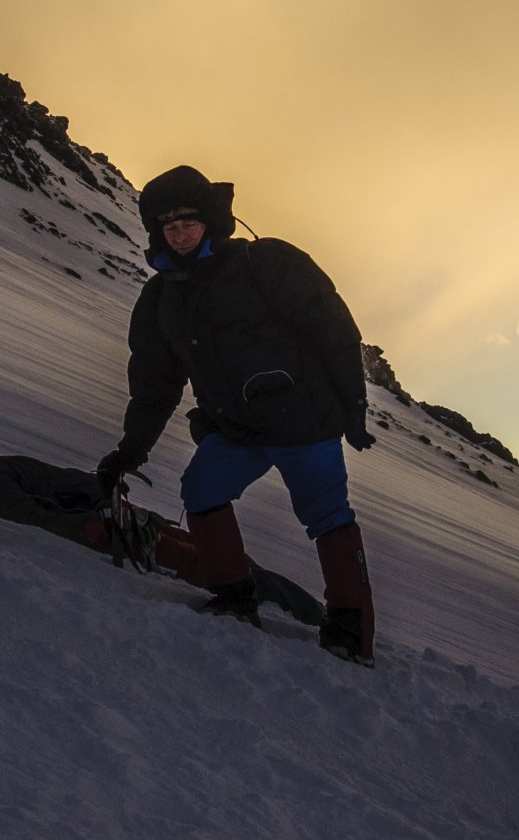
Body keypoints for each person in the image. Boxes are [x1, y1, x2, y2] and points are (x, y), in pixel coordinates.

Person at [93, 164, 379, 666]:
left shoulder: (265, 263)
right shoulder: (162, 299)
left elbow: (333, 331)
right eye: (169, 227)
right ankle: (233, 594)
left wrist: (354, 408)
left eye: (189, 224)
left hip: (302, 424)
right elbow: (155, 386)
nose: (180, 235)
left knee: (327, 517)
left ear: (211, 221)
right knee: (201, 490)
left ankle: (351, 629)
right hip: (238, 431)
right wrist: (129, 450)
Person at [0, 435, 323, 625]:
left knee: (224, 561)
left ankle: (303, 612)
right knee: (216, 564)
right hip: (117, 530)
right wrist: (91, 526)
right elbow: (34, 518)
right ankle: (307, 617)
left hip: (118, 519)